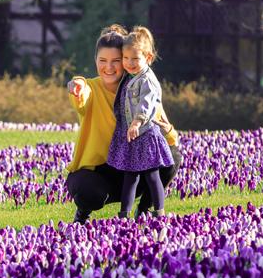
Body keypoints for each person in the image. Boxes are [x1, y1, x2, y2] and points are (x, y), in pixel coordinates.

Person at [65, 25, 182, 224]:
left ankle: (144, 210)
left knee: (172, 157)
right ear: (95, 61)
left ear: (128, 60)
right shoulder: (91, 88)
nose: (109, 67)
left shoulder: (141, 88)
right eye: (102, 61)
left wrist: (166, 130)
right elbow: (82, 93)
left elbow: (169, 136)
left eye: (116, 61)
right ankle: (82, 214)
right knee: (88, 190)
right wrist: (76, 84)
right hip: (100, 171)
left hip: (131, 167)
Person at [106, 26, 172, 218]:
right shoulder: (130, 76)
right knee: (130, 176)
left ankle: (160, 212)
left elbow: (147, 104)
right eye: (126, 58)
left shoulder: (148, 81)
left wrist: (136, 122)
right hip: (132, 135)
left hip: (145, 134)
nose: (129, 63)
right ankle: (124, 214)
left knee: (152, 176)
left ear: (148, 58)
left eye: (135, 59)